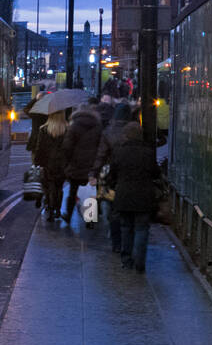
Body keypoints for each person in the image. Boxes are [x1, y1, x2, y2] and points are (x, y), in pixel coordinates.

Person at [105, 123, 160, 271]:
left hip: (124, 195)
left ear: (126, 135)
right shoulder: (148, 152)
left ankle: (126, 259)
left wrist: (111, 184)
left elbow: (112, 174)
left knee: (126, 227)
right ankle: (140, 261)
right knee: (142, 229)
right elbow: (156, 173)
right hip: (144, 196)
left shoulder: (119, 152)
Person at [92, 102, 134, 250]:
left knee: (112, 207)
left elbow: (100, 155)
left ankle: (116, 242)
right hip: (130, 173)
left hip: (111, 174)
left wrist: (94, 173)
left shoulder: (108, 132)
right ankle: (127, 239)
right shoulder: (134, 131)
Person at [60, 102, 103, 225]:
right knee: (90, 192)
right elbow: (100, 145)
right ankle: (89, 219)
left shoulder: (74, 126)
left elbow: (67, 147)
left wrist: (67, 163)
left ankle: (68, 215)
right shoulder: (97, 126)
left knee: (73, 191)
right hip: (92, 165)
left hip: (76, 164)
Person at [33, 108, 67, 222]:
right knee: (59, 187)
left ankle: (50, 209)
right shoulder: (67, 129)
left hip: (47, 163)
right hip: (62, 164)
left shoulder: (43, 129)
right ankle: (58, 209)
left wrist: (37, 163)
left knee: (49, 187)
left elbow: (39, 149)